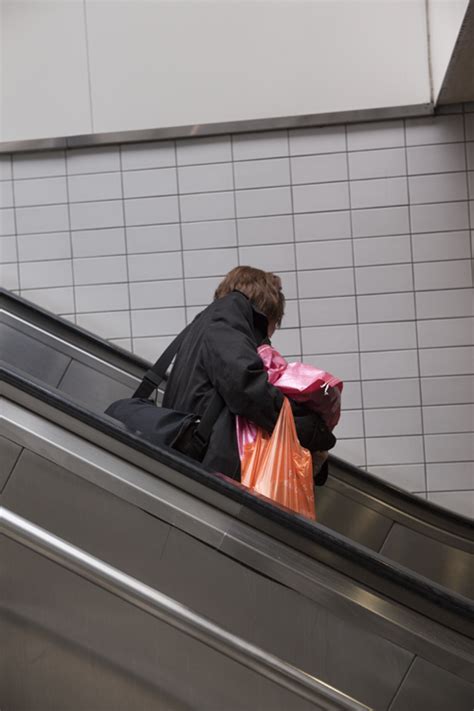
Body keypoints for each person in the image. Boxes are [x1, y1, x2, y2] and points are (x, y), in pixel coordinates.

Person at [163, 266, 336, 484]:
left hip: (199, 457)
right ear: (267, 310)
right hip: (210, 466)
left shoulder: (209, 322)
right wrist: (312, 431)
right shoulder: (225, 318)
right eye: (269, 329)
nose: (267, 340)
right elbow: (248, 387)